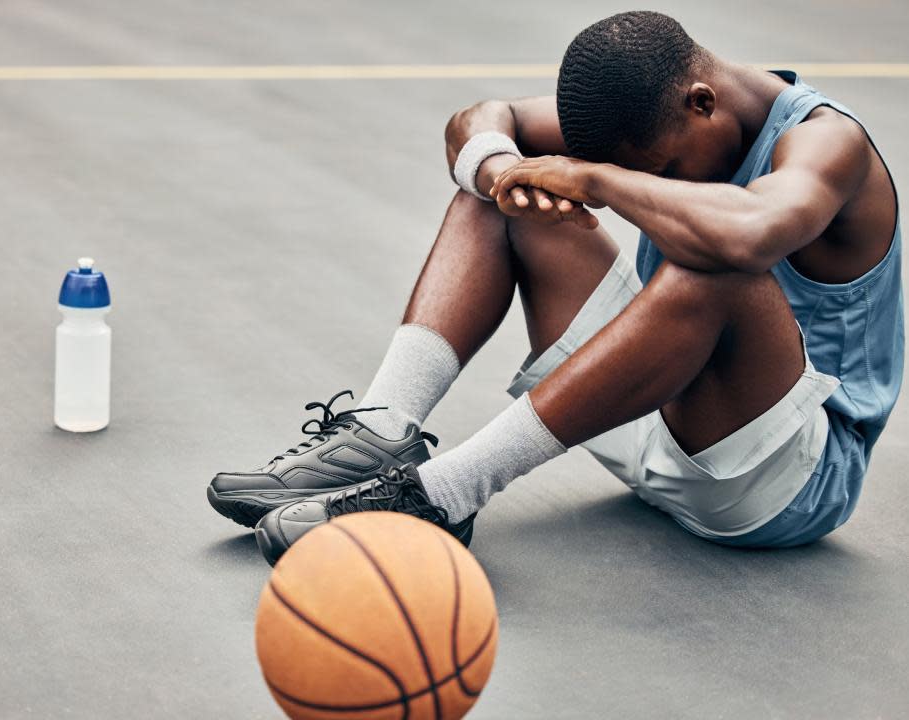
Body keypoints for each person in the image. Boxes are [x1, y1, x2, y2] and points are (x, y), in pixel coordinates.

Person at [207, 11, 902, 565]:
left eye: (667, 168)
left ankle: (442, 497)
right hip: (649, 416)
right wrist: (502, 169)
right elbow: (479, 119)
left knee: (715, 263)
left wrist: (598, 179)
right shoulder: (661, 114)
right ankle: (381, 429)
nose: (667, 183)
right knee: (500, 194)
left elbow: (752, 234)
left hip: (782, 484)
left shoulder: (829, 143)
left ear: (703, 103)